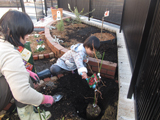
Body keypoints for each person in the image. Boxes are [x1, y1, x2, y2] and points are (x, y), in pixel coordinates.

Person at [0, 10, 62, 120]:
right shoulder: (10, 54)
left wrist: (26, 71)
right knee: (23, 83)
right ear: (12, 32)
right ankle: (29, 117)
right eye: (25, 33)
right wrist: (44, 99)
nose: (28, 37)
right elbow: (22, 94)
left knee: (22, 76)